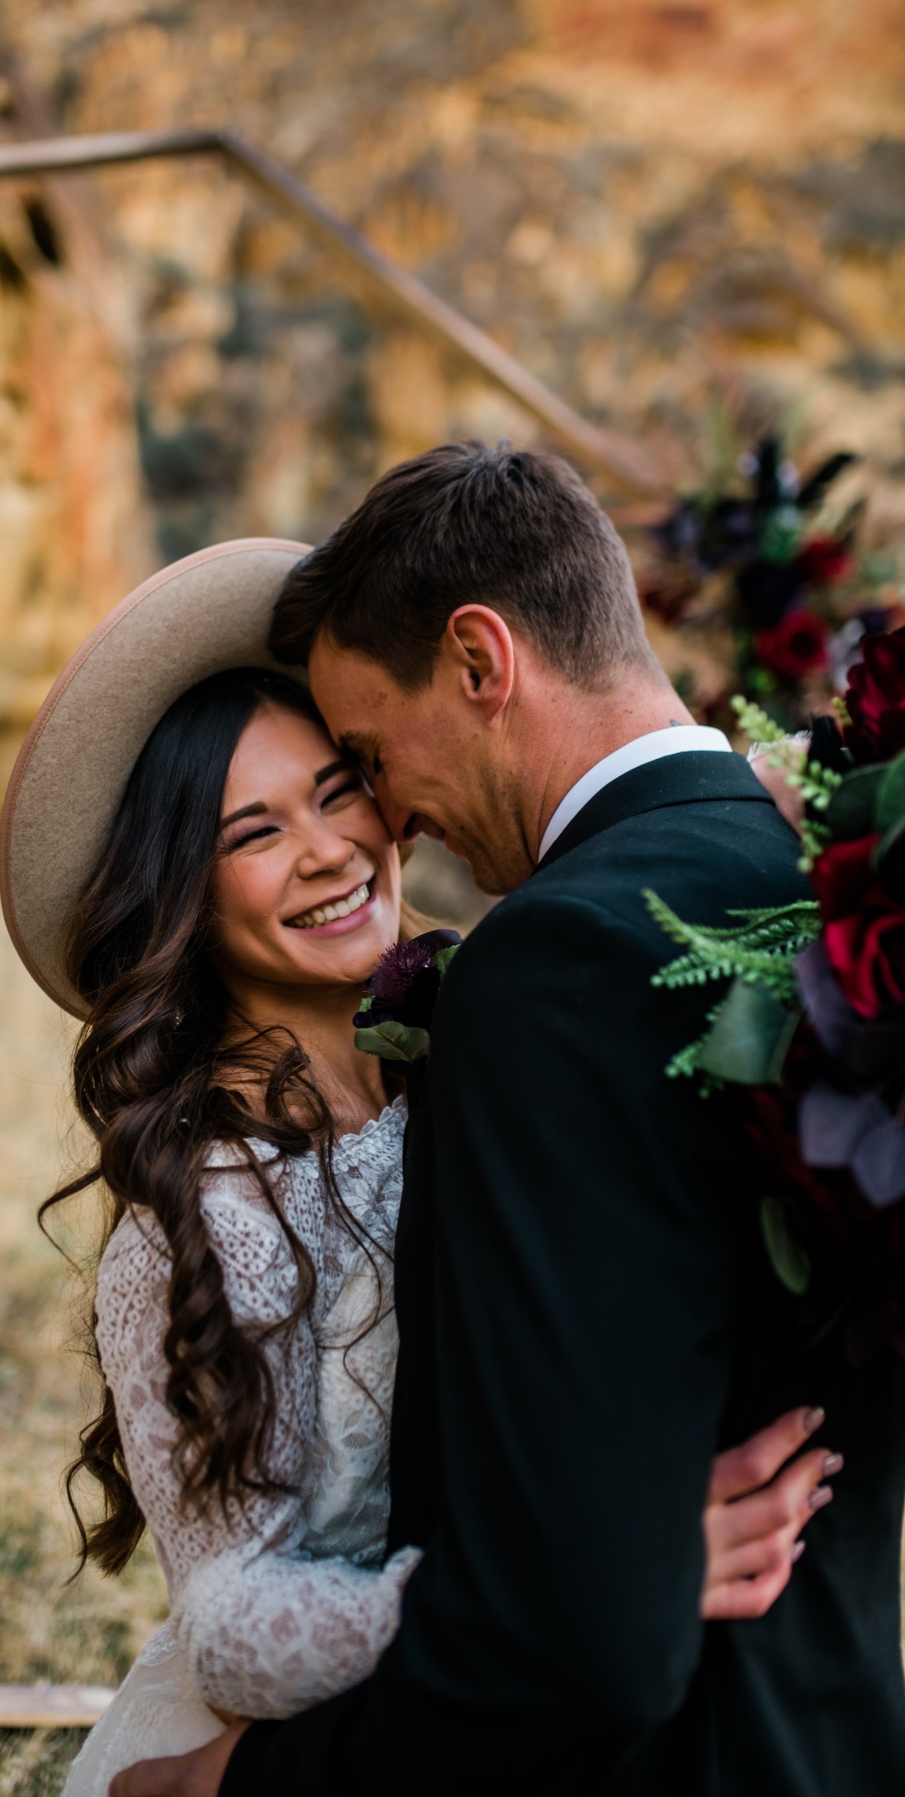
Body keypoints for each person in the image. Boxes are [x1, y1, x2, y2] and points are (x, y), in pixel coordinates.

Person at [109, 446, 905, 1797]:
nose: (390, 822)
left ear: (481, 662)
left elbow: (573, 1643)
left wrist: (225, 1789)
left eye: (360, 761)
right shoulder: (822, 888)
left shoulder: (551, 968)